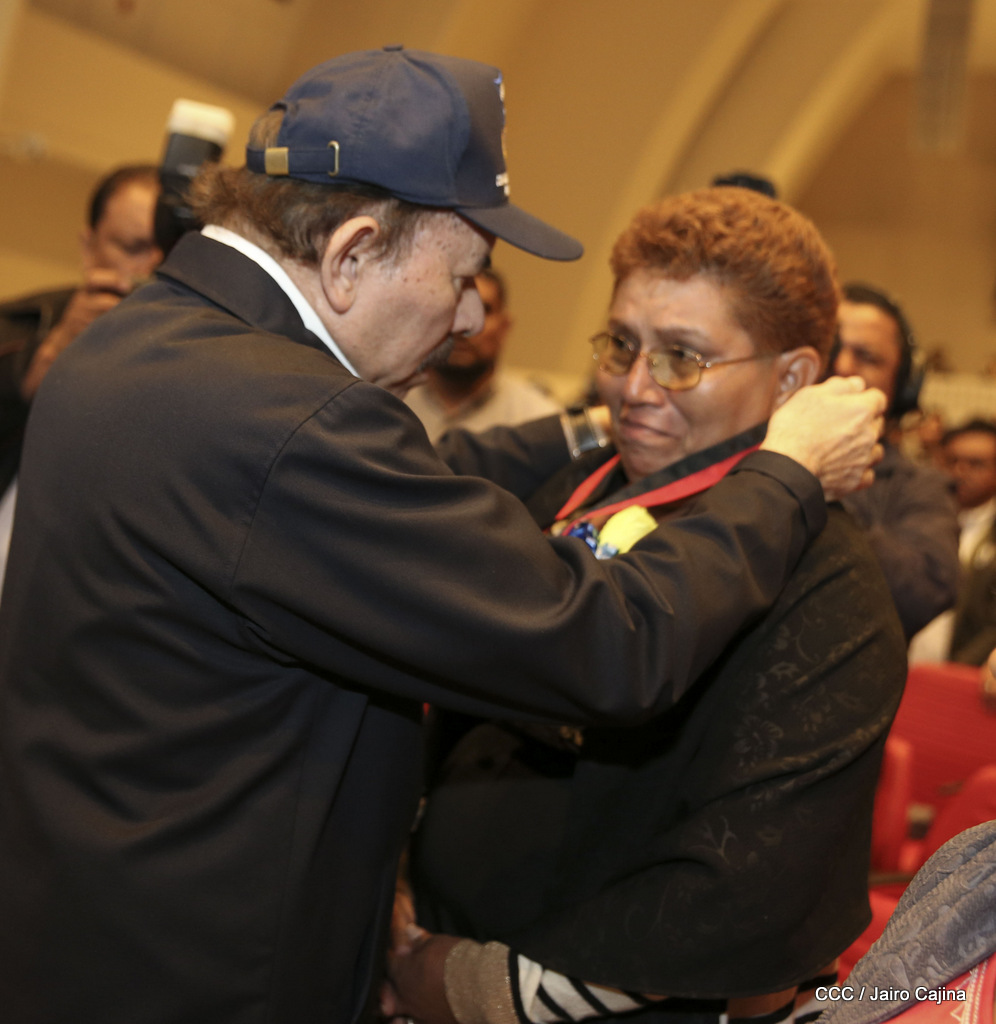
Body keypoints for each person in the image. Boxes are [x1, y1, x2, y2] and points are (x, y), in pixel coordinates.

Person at [0, 48, 884, 1024]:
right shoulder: (297, 425)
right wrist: (787, 472)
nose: (469, 317)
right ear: (351, 255)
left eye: (680, 359)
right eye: (464, 277)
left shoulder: (126, 342)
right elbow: (605, 643)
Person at [388, 187, 907, 1024]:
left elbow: (742, 890)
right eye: (622, 345)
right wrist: (397, 882)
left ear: (791, 379)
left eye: (681, 358)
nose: (633, 387)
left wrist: (483, 989)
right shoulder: (575, 486)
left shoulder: (831, 584)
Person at [0, 163, 162, 580]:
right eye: (133, 247)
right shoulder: (17, 325)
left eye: (170, 249)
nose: (152, 268)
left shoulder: (200, 356)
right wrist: (46, 359)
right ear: (89, 249)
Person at [830, 282, 959, 640]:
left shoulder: (921, 487)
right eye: (831, 348)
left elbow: (925, 595)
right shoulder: (758, 455)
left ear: (903, 384)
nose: (841, 366)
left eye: (866, 357)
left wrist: (825, 493)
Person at [405, 267, 561, 442]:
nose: (463, 326)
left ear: (504, 327)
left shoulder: (539, 422)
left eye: (482, 310)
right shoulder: (390, 400)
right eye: (452, 307)